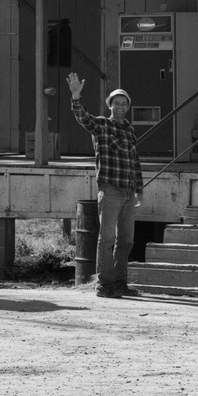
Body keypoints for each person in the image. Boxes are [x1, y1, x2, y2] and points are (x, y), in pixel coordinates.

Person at [66, 73, 143, 298]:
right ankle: (104, 284)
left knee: (126, 240)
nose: (119, 106)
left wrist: (139, 190)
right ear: (110, 105)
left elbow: (135, 161)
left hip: (129, 192)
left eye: (123, 103)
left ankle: (120, 283)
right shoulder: (101, 125)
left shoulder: (130, 130)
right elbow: (83, 118)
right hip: (110, 190)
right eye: (115, 103)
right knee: (107, 239)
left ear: (127, 107)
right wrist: (76, 96)